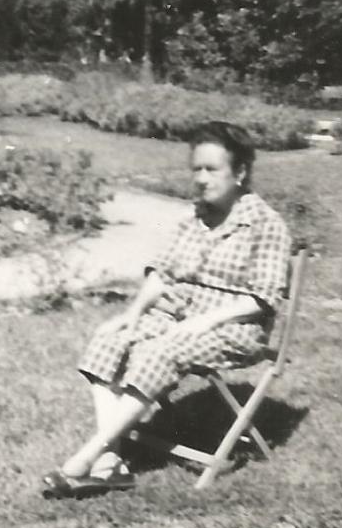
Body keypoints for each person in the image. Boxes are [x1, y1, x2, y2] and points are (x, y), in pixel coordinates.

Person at [42, 120, 292, 498]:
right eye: (197, 169)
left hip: (235, 326)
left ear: (239, 172)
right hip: (180, 316)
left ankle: (84, 458)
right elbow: (163, 273)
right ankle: (111, 462)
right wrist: (132, 314)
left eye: (212, 169)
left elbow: (263, 297)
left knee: (160, 351)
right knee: (109, 340)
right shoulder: (195, 217)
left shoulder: (266, 224)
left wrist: (205, 321)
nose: (202, 179)